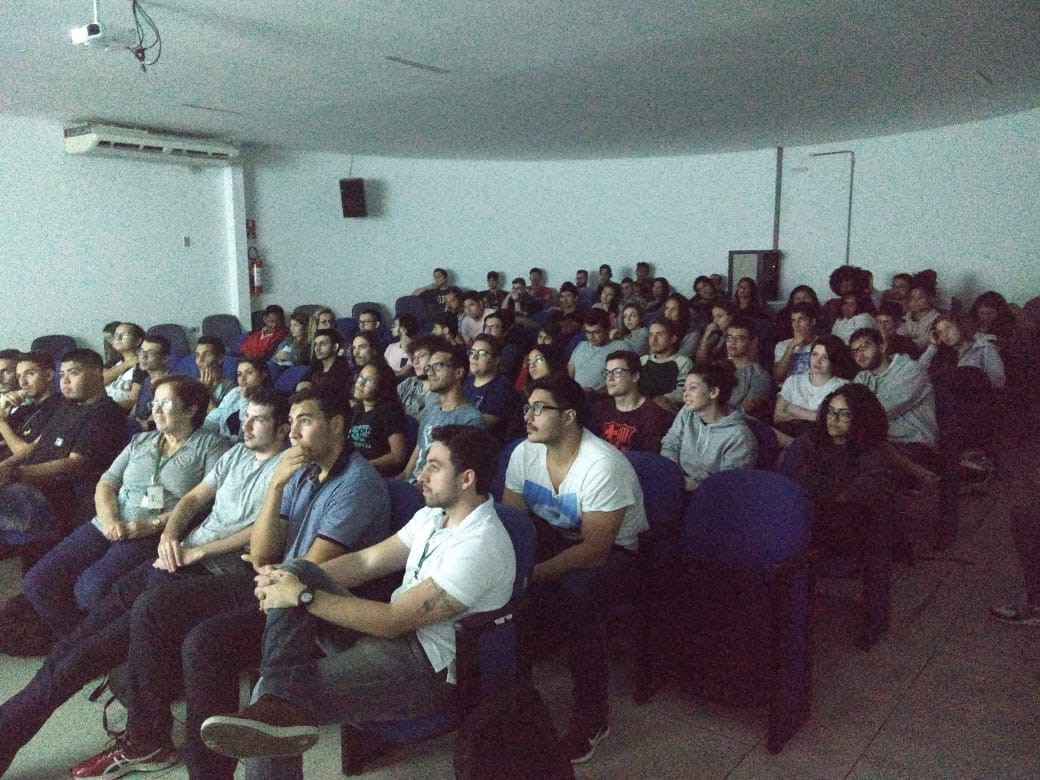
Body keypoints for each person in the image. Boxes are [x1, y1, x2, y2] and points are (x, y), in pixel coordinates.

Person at [64, 386, 391, 780]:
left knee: (204, 641)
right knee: (155, 604)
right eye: (294, 422)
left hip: (306, 604)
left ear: (336, 425)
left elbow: (309, 569)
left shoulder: (356, 484)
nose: (294, 433)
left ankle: (208, 772)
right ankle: (147, 739)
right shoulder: (300, 472)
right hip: (270, 578)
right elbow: (265, 550)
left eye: (305, 422)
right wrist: (275, 487)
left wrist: (267, 564)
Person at [0, 389, 292, 778]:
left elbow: (262, 532)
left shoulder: (287, 470)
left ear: (283, 428)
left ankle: (12, 737)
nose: (247, 425)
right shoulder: (238, 453)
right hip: (170, 560)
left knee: (79, 659)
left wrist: (197, 553)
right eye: (247, 416)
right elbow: (192, 500)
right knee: (69, 647)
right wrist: (172, 535)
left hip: (209, 575)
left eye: (259, 419)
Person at [199, 426, 515, 777]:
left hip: (425, 670)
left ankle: (276, 700)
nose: (420, 476)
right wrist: (286, 580)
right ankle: (278, 699)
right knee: (300, 568)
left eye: (434, 467)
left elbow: (395, 619)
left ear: (467, 478)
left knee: (271, 695)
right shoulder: (433, 516)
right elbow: (366, 562)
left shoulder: (480, 546)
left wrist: (302, 596)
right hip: (388, 641)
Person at [504, 375, 647, 763]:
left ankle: (592, 718)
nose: (528, 417)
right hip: (557, 540)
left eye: (539, 409)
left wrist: (529, 576)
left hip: (617, 554)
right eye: (526, 408)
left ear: (568, 417)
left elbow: (596, 552)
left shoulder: (601, 464)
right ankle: (507, 705)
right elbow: (514, 524)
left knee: (579, 595)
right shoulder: (524, 453)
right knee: (500, 589)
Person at [23, 376, 230, 635]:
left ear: (191, 409)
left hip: (150, 533)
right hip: (108, 523)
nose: (155, 409)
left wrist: (151, 524)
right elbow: (106, 484)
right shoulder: (141, 441)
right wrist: (109, 521)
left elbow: (206, 504)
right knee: (37, 581)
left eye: (165, 403)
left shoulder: (212, 446)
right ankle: (77, 644)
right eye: (154, 402)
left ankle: (85, 648)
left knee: (89, 590)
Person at [0, 349, 129, 554]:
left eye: (73, 373)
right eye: (62, 374)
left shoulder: (105, 414)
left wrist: (16, 474)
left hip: (55, 499)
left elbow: (74, 464)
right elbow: (35, 445)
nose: (65, 381)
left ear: (97, 374)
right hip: (28, 486)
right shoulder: (66, 406)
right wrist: (5, 467)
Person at [851, 327, 940, 484]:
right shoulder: (862, 377)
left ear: (882, 347)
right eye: (855, 351)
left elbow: (878, 413)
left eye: (865, 347)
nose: (859, 354)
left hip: (914, 445)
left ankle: (923, 477)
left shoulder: (911, 370)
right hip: (878, 444)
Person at [660, 361, 758, 492]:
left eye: (693, 388)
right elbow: (670, 444)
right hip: (678, 484)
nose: (685, 394)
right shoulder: (687, 412)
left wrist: (692, 487)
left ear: (713, 392)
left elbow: (729, 484)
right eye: (684, 389)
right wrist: (674, 477)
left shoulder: (739, 436)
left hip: (711, 497)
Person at [400, 345, 484, 483]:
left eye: (438, 366)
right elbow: (410, 468)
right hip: (412, 486)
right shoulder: (430, 411)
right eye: (428, 368)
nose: (430, 373)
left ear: (458, 373)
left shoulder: (471, 419)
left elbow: (457, 476)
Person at [587, 350, 674, 452]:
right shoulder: (600, 409)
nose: (609, 378)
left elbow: (646, 460)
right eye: (607, 372)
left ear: (635, 376)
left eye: (617, 372)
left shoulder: (653, 415)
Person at [774, 335, 855, 440]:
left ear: (834, 360)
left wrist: (793, 409)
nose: (817, 361)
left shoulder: (843, 386)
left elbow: (833, 422)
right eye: (814, 354)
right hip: (788, 435)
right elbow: (777, 416)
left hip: (822, 440)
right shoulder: (793, 381)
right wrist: (814, 416)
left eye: (825, 357)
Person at [348, 358, 410, 476]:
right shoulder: (357, 409)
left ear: (382, 387)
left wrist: (365, 465)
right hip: (353, 470)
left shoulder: (390, 413)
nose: (360, 383)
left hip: (373, 475)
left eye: (368, 381)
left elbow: (398, 456)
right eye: (360, 377)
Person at [0, 351, 61, 461]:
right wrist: (3, 409)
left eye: (30, 374)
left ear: (48, 375)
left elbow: (29, 456)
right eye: (19, 376)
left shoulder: (61, 408)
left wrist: (1, 422)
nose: (23, 382)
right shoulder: (25, 409)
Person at [920, 313, 1006, 390]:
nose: (944, 335)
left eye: (948, 329)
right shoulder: (945, 352)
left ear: (960, 326)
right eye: (940, 332)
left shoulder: (984, 348)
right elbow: (918, 372)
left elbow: (998, 383)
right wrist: (933, 346)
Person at [463, 334, 520, 439]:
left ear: (496, 360)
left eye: (482, 353)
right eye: (472, 352)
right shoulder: (467, 381)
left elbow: (481, 424)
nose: (474, 357)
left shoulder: (502, 387)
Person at [204, 357, 273, 440]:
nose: (243, 379)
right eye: (239, 374)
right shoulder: (235, 391)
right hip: (223, 440)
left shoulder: (269, 399)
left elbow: (248, 427)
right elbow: (218, 414)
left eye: (249, 373)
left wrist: (244, 399)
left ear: (263, 374)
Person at [639, 318, 692, 412]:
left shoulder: (683, 362)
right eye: (651, 335)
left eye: (660, 334)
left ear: (673, 338)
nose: (654, 339)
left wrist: (661, 399)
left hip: (665, 412)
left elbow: (683, 391)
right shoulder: (642, 360)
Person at [723, 317, 773, 418]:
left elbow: (746, 410)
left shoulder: (759, 375)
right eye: (730, 337)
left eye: (740, 338)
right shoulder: (716, 367)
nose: (733, 342)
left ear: (752, 342)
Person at [568, 309, 624, 394]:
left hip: (603, 399)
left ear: (607, 329)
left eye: (596, 332)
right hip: (576, 396)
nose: (591, 337)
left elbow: (625, 382)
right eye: (588, 332)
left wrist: (597, 393)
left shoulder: (620, 347)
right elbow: (569, 374)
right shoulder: (581, 346)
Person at [296, 328, 353, 409]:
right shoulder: (316, 365)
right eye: (316, 344)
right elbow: (302, 383)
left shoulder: (343, 367)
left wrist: (311, 388)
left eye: (323, 344)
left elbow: (336, 395)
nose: (317, 348)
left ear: (335, 347)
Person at [130, 334, 172, 431]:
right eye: (141, 351)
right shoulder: (146, 380)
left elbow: (154, 423)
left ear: (164, 358)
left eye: (151, 353)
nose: (143, 357)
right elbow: (135, 412)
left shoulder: (171, 385)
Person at [103, 322, 146, 413]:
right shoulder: (114, 361)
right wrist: (127, 364)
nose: (118, 338)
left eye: (125, 335)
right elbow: (99, 381)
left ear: (138, 341)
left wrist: (104, 410)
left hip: (116, 414)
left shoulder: (141, 366)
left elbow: (132, 401)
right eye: (116, 335)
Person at [773, 301, 818, 385]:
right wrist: (791, 347)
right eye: (793, 320)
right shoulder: (783, 345)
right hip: (789, 392)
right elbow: (778, 376)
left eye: (801, 320)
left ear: (812, 322)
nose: (796, 325)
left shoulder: (824, 344)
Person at [398, 335, 440, 420]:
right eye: (413, 358)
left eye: (421, 356)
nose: (415, 362)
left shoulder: (440, 390)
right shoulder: (409, 382)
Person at [897, 276, 942, 351]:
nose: (915, 301)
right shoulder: (905, 317)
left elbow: (922, 344)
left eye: (920, 297)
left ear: (931, 299)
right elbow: (899, 336)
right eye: (912, 297)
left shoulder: (936, 319)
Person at [194, 336, 236, 411]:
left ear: (220, 358)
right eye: (197, 355)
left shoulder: (230, 388)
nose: (200, 360)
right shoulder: (192, 385)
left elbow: (218, 420)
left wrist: (206, 391)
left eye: (207, 355)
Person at [664, 293, 700, 358]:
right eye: (666, 308)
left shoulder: (693, 334)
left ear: (682, 311)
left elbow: (680, 359)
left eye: (673, 309)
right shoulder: (659, 327)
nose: (668, 313)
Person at [384, 313, 420, 378]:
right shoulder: (390, 347)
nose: (391, 329)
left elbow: (400, 374)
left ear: (403, 329)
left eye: (394, 326)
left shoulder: (417, 351)